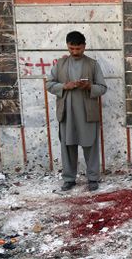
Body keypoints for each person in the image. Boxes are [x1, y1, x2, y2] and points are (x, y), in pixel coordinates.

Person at [46, 31, 107, 191]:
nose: (75, 52)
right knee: (67, 146)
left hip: (87, 113)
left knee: (90, 146)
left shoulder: (93, 65)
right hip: (66, 113)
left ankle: (93, 178)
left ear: (84, 47)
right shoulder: (60, 64)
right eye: (71, 48)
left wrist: (89, 87)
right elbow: (49, 84)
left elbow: (102, 88)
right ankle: (69, 179)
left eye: (78, 49)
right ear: (67, 46)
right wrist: (64, 86)